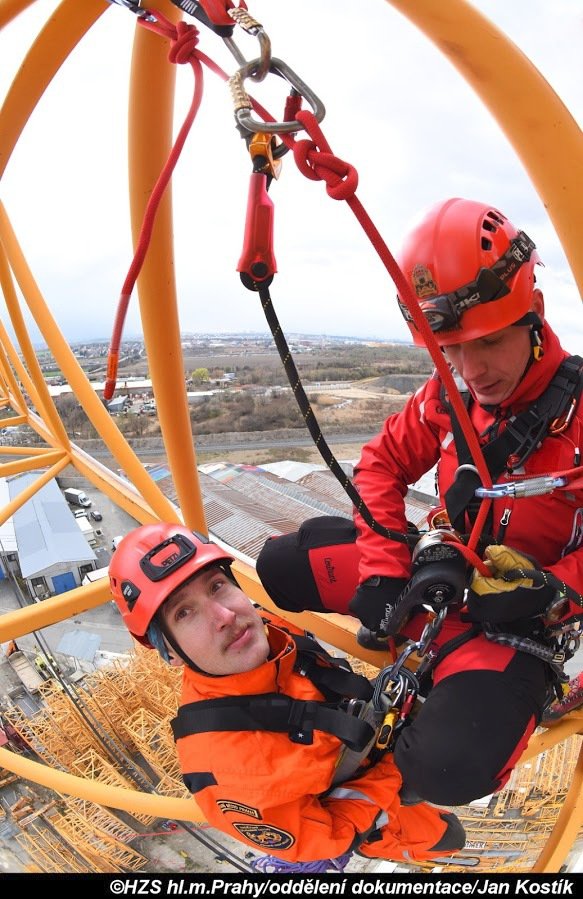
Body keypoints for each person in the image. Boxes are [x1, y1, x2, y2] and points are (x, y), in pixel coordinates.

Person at [257, 198, 583, 807]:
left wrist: (559, 590)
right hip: (434, 578)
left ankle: (458, 700)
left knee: (447, 769)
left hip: (514, 624)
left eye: (485, 343)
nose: (471, 369)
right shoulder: (447, 394)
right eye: (449, 350)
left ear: (533, 314)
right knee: (279, 566)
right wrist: (383, 570)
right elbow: (379, 464)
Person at [109, 522, 465, 866]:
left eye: (217, 586)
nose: (224, 616)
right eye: (184, 613)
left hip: (375, 730)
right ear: (170, 653)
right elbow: (325, 839)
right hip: (373, 811)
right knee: (450, 838)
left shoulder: (267, 632)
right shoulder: (229, 775)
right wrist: (395, 771)